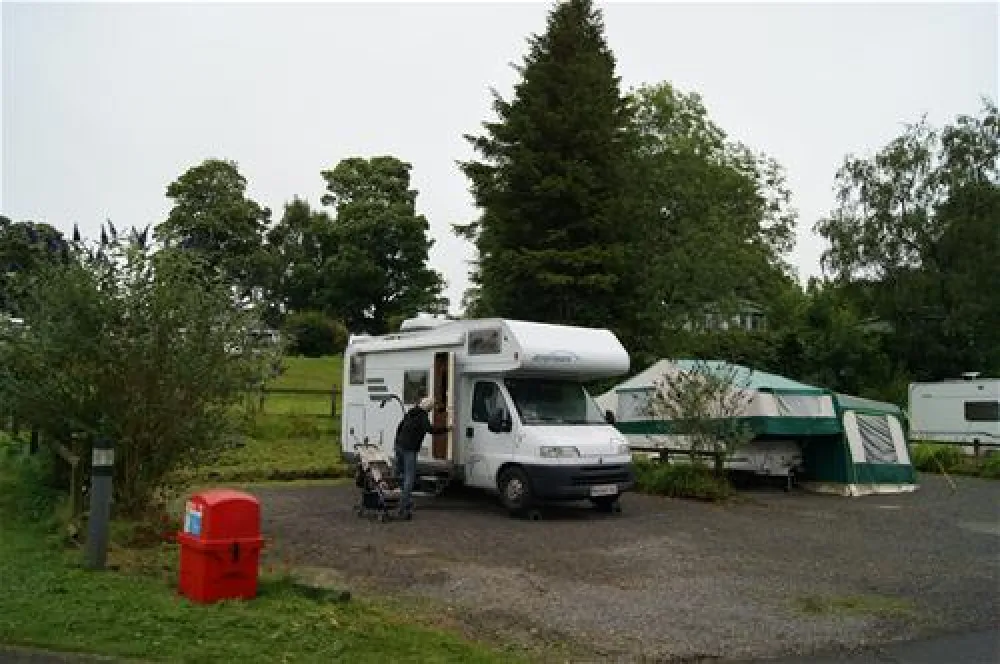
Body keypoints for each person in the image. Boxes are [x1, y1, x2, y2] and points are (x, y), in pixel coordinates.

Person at [393, 395, 450, 519]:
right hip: (409, 450)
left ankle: (406, 501)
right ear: (428, 408)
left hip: (399, 446)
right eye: (431, 407)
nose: (431, 410)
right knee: (409, 478)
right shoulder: (423, 416)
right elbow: (430, 430)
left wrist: (397, 442)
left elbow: (400, 427)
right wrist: (447, 429)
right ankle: (403, 507)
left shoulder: (411, 412)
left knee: (401, 475)